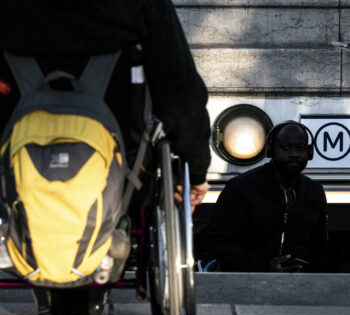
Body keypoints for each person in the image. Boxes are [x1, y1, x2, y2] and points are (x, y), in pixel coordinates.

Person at [0, 0, 210, 208]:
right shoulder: (139, 7)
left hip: (11, 171)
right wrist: (195, 172)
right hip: (122, 181)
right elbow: (181, 96)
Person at [207, 121, 330, 273]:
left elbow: (320, 249)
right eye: (285, 147)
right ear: (271, 150)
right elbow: (218, 242)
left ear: (309, 152)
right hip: (244, 285)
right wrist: (263, 267)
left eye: (300, 148)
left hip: (299, 287)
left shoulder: (314, 192)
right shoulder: (240, 187)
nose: (293, 154)